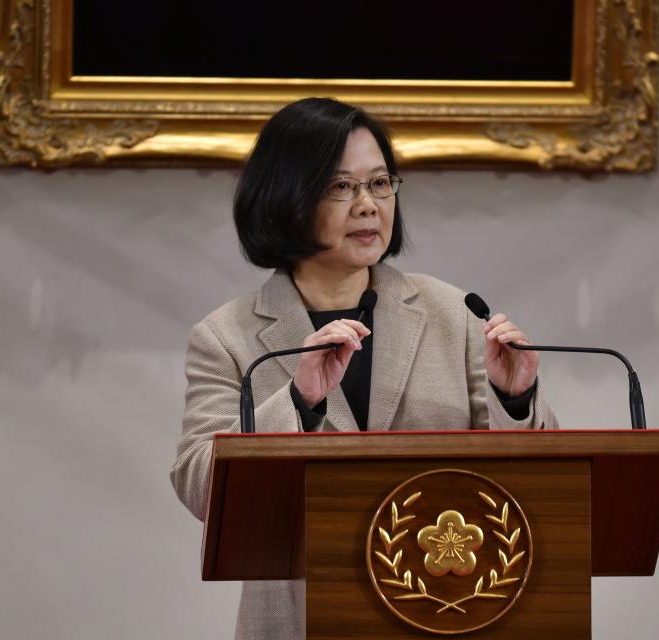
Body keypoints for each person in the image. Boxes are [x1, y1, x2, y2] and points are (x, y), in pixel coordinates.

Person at [171, 97, 558, 639]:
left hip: (451, 615)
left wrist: (515, 401)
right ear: (286, 196)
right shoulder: (227, 336)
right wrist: (298, 405)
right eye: (340, 187)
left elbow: (542, 488)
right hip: (299, 622)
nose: (368, 206)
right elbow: (200, 487)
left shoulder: (455, 314)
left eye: (379, 184)